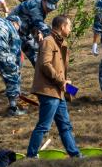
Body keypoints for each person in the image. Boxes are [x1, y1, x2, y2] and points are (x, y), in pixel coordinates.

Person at [27, 14, 81, 159]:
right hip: (49, 91)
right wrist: (61, 81)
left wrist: (66, 84)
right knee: (44, 126)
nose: (70, 29)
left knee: (65, 126)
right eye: (69, 26)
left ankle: (75, 155)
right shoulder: (48, 42)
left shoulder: (61, 43)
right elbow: (45, 64)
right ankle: (31, 156)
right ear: (62, 27)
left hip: (58, 92)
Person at [9, 0, 60, 65]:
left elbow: (35, 22)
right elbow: (40, 24)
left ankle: (41, 74)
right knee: (16, 61)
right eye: (48, 7)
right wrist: (56, 39)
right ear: (44, 0)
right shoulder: (36, 7)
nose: (49, 10)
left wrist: (38, 32)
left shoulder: (42, 7)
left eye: (51, 8)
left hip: (25, 31)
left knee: (37, 54)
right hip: (13, 30)